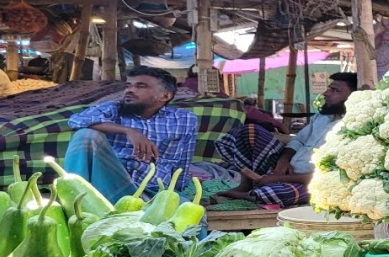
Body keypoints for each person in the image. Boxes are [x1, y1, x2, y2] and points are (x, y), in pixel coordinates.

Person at [213, 73, 356, 206]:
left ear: (353, 97)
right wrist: (284, 160)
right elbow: (298, 140)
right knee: (250, 131)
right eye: (329, 88)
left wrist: (277, 179)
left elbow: (331, 175)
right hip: (283, 170)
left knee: (287, 192)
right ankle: (247, 185)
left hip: (307, 181)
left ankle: (254, 193)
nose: (326, 93)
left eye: (335, 91)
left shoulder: (352, 129)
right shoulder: (322, 117)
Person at [64, 67, 197, 202]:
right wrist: (128, 131)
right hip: (108, 183)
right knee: (85, 134)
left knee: (192, 214)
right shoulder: (113, 109)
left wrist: (178, 192)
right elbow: (77, 120)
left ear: (165, 96)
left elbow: (183, 163)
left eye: (141, 86)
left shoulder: (184, 119)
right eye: (128, 85)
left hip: (151, 189)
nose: (130, 90)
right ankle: (74, 199)